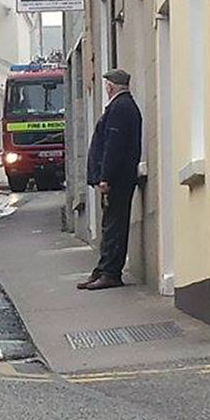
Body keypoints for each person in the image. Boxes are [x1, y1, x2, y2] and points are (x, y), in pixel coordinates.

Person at [79, 68, 143, 291]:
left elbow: (113, 147)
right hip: (118, 178)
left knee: (114, 225)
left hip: (117, 179)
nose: (105, 89)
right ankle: (103, 269)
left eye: (106, 85)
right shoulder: (121, 107)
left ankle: (111, 272)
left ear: (111, 86)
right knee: (109, 225)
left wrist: (105, 177)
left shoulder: (120, 108)